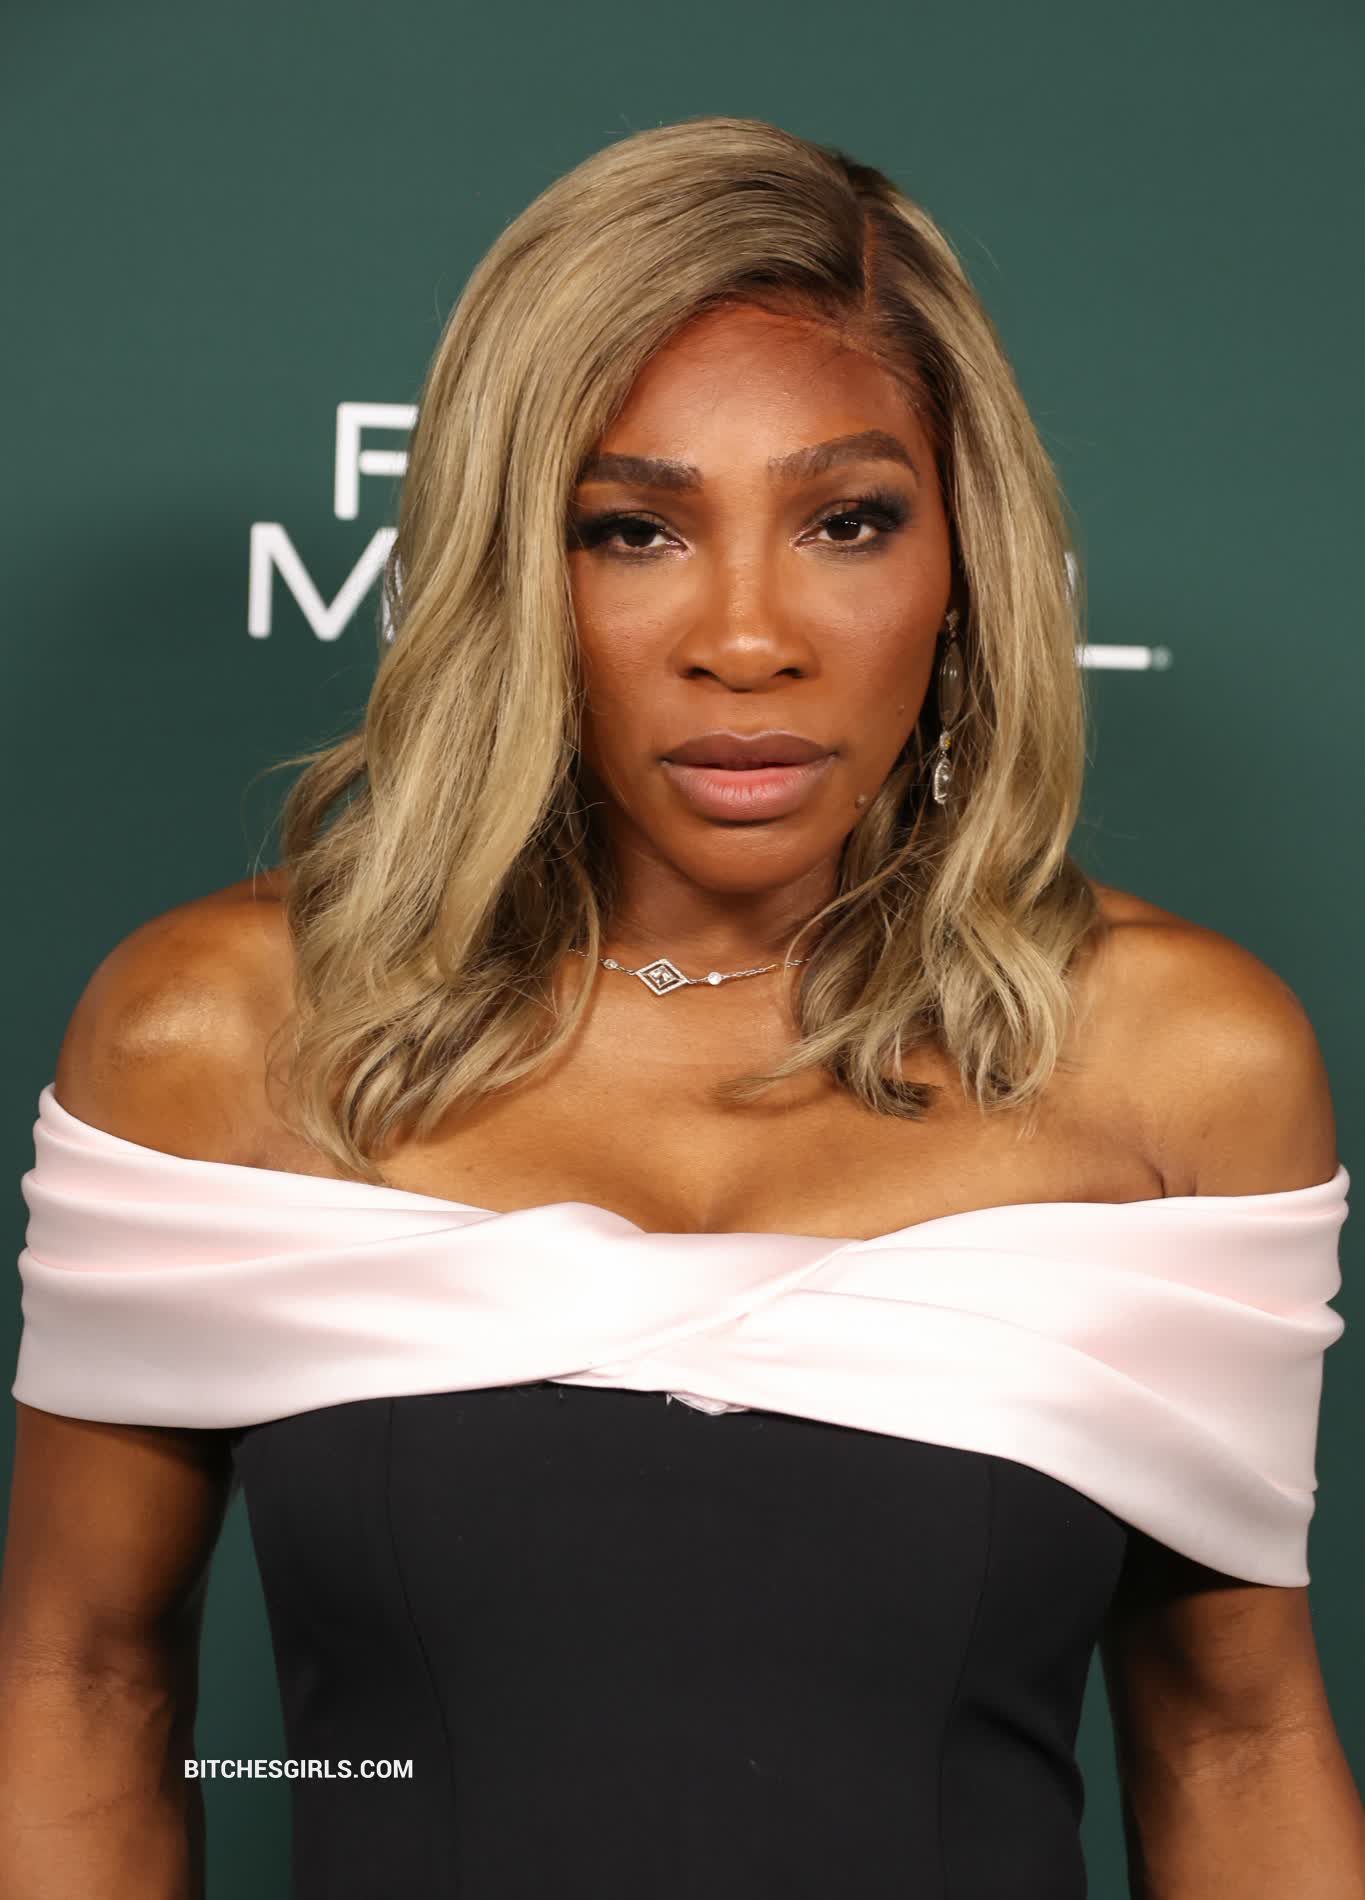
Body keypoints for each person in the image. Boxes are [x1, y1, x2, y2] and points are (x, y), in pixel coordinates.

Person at [1, 115, 1360, 1900]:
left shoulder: (1178, 1065)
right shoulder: (222, 1039)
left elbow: (1234, 1746)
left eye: (847, 522)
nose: (746, 637)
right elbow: (83, 1684)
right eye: (633, 529)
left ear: (964, 558)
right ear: (510, 562)